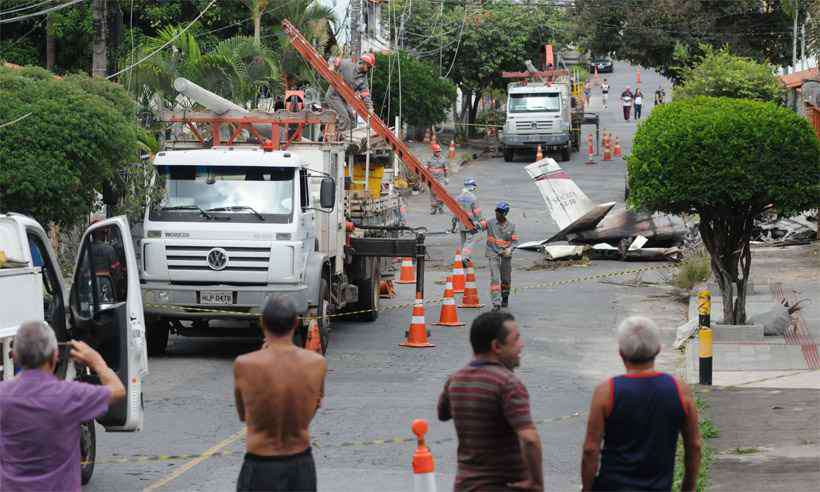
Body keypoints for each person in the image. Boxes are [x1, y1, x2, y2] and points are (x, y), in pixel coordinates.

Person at [0, 321, 125, 492]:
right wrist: (96, 361)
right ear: (55, 356)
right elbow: (117, 390)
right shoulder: (70, 395)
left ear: (14, 356)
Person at [581, 317, 701, 492]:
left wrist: (587, 488)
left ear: (621, 352)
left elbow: (591, 449)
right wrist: (687, 487)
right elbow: (694, 446)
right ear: (658, 349)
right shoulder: (678, 389)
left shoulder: (607, 392)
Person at [437, 311, 543, 491]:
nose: (521, 345)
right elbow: (530, 439)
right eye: (516, 339)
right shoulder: (508, 384)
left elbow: (442, 413)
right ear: (496, 346)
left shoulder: (455, 379)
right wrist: (536, 483)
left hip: (465, 486)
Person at [234, 296, 327, 492]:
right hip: (300, 464)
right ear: (295, 323)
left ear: (262, 323)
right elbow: (313, 407)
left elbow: (244, 415)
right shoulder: (316, 364)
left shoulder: (245, 364)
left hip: (260, 464)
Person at [324, 53, 376, 136]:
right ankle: (340, 140)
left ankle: (351, 140)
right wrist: (332, 66)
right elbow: (332, 59)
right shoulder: (348, 64)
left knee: (352, 119)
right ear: (364, 63)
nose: (369, 69)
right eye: (369, 66)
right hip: (333, 96)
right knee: (345, 118)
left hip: (344, 98)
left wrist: (370, 107)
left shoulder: (363, 78)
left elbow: (365, 94)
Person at [485, 201, 518, 311]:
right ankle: (496, 303)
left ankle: (505, 297)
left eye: (499, 212)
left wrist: (509, 249)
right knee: (495, 279)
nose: (497, 214)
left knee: (505, 279)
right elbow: (479, 226)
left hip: (505, 256)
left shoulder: (511, 226)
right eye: (496, 211)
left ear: (504, 214)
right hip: (493, 253)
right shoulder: (490, 223)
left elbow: (514, 242)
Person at [456, 177, 486, 263]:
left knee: (463, 241)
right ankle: (464, 257)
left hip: (461, 222)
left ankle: (463, 256)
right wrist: (481, 221)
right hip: (471, 223)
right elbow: (477, 212)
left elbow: (455, 211)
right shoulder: (473, 197)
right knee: (470, 241)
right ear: (472, 186)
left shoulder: (458, 197)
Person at [425, 143, 449, 215]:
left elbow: (446, 169)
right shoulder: (429, 159)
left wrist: (446, 178)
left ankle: (440, 207)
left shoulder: (443, 159)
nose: (438, 152)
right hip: (432, 178)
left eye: (439, 151)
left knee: (441, 193)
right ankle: (433, 209)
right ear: (434, 151)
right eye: (437, 151)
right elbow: (425, 168)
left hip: (441, 178)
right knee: (433, 194)